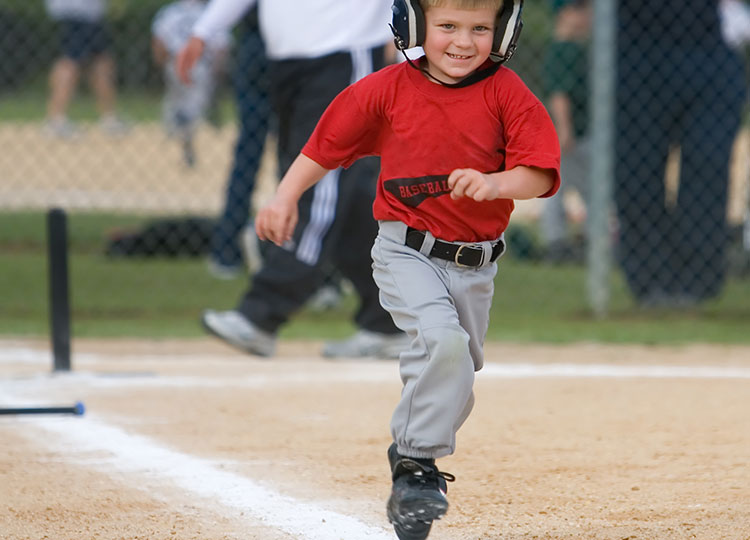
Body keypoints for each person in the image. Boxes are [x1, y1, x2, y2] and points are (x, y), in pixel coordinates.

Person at [255, 0, 559, 538]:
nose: (463, 42)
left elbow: (537, 173)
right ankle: (417, 469)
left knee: (459, 371)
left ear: (503, 31)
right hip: (405, 249)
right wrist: (284, 197)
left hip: (476, 264)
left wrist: (496, 183)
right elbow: (325, 147)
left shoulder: (506, 92)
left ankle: (413, 449)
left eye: (479, 28)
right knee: (442, 343)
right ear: (415, 26)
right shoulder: (387, 88)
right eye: (447, 26)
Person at [177, 0, 411, 359]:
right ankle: (389, 321)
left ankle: (262, 313)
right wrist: (205, 30)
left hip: (345, 53)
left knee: (318, 186)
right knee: (342, 193)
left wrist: (414, 49)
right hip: (286, 62)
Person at [615, 0, 746, 307]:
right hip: (638, 49)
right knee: (636, 172)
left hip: (712, 45)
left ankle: (698, 281)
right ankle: (650, 281)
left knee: (707, 166)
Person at [204, 7, 271, 278]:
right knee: (301, 153)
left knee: (248, 151)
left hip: (256, 43)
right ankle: (300, 256)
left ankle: (226, 251)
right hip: (293, 48)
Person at [539, 0, 591, 263]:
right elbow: (559, 94)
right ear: (566, 13)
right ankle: (560, 242)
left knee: (561, 187)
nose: (589, 16)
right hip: (575, 136)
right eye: (582, 9)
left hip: (574, 134)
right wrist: (565, 130)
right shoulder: (563, 51)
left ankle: (558, 240)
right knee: (583, 189)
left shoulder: (573, 49)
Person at [151, 0, 230, 168]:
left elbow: (159, 41)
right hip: (200, 65)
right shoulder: (210, 13)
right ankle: (186, 135)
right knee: (194, 105)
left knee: (175, 99)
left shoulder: (170, 12)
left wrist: (163, 65)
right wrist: (217, 72)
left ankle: (173, 127)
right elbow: (221, 47)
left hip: (174, 62)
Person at [44, 0, 128, 137]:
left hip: (88, 13)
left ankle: (109, 117)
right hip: (76, 11)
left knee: (101, 60)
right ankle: (56, 119)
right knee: (70, 61)